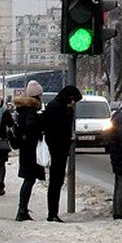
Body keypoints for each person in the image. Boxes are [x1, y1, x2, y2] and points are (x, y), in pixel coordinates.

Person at [40, 85, 83, 223]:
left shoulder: (63, 108)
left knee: (57, 182)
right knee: (55, 182)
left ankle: (54, 212)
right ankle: (52, 213)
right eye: (74, 101)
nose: (74, 104)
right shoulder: (56, 108)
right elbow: (53, 129)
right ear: (69, 98)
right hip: (56, 149)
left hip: (61, 149)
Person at [13, 81, 45, 221]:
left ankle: (23, 209)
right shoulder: (31, 112)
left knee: (29, 179)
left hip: (26, 150)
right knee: (29, 179)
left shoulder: (23, 110)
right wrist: (40, 128)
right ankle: (22, 210)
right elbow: (32, 128)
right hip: (30, 151)